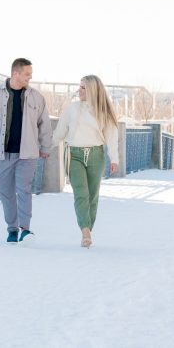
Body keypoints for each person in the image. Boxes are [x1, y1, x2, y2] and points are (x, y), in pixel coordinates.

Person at [0, 58, 52, 243]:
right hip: (1, 154)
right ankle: (12, 229)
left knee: (23, 190)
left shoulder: (36, 97)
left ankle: (25, 229)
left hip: (28, 154)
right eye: (27, 74)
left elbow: (45, 125)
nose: (30, 77)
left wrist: (45, 147)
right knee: (6, 193)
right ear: (15, 73)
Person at [52, 75, 120, 248]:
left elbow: (112, 137)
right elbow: (60, 132)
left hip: (96, 155)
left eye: (83, 88)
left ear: (93, 90)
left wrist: (115, 159)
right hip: (73, 154)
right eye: (79, 87)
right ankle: (85, 233)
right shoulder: (72, 109)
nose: (79, 91)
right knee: (81, 193)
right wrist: (44, 148)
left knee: (92, 196)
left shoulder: (104, 112)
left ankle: (88, 227)